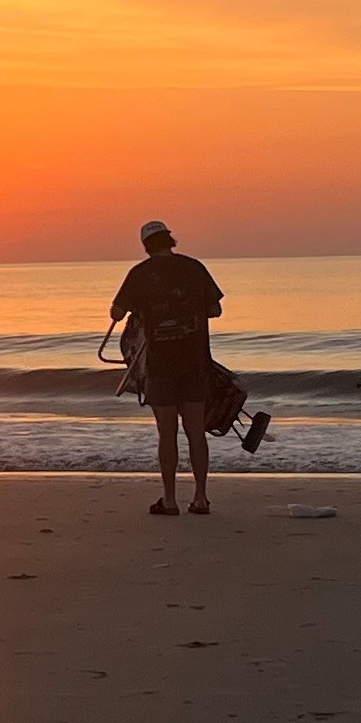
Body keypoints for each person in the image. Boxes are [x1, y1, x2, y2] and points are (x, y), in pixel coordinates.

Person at [111, 220, 226, 515]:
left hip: (160, 366)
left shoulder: (140, 274)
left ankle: (170, 499)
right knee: (196, 432)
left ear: (146, 246)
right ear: (170, 241)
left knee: (167, 433)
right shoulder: (194, 268)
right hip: (195, 362)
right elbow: (215, 309)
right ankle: (200, 498)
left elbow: (117, 311)